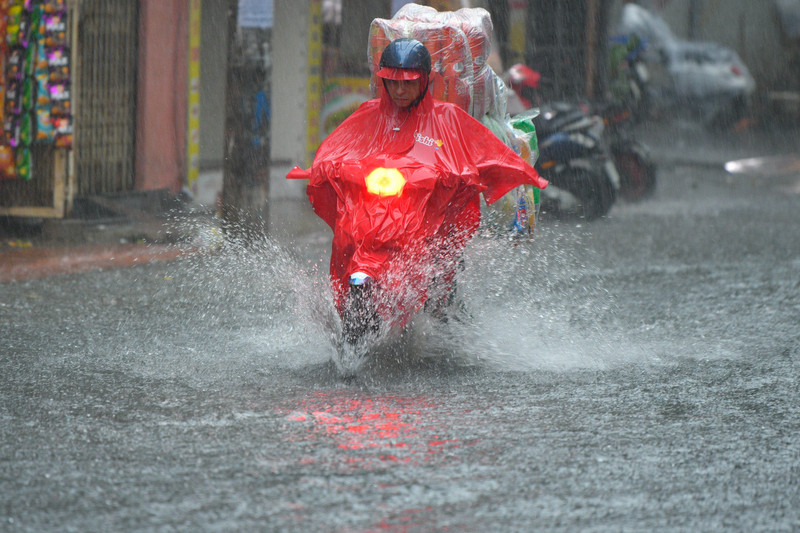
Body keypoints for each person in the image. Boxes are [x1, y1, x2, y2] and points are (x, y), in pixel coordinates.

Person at [288, 38, 547, 321]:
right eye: (393, 82)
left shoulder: (447, 119)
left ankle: (434, 312)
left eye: (408, 83)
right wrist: (325, 167)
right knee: (346, 239)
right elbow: (340, 147)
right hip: (375, 212)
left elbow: (480, 152)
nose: (400, 90)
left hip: (428, 215)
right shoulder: (370, 114)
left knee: (437, 267)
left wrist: (457, 177)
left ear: (425, 80)